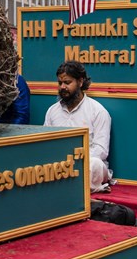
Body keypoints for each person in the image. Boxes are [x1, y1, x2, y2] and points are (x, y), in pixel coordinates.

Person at [44, 61, 111, 192]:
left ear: (80, 82)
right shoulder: (52, 111)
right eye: (60, 83)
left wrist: (74, 162)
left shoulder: (97, 111)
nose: (62, 87)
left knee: (95, 164)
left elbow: (101, 150)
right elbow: (46, 142)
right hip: (59, 165)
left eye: (67, 83)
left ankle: (71, 189)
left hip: (86, 164)